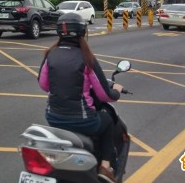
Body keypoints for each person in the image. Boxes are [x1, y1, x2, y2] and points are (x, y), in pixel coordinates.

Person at [37, 12, 122, 183]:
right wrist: (117, 91)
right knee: (107, 121)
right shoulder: (87, 58)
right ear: (82, 32)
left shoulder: (50, 54)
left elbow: (44, 85)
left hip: (53, 118)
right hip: (82, 121)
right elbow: (103, 95)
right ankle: (105, 166)